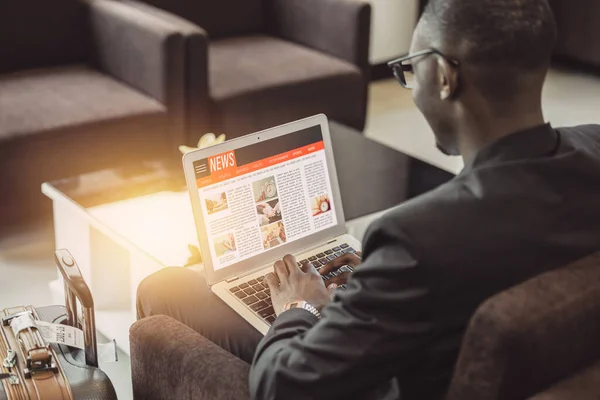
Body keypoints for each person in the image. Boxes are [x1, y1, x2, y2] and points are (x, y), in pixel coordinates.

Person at [136, 0, 600, 398]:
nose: (411, 84)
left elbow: (281, 386)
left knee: (164, 287)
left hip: (394, 381)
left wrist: (301, 308)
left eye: (410, 67)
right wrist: (371, 288)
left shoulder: (420, 239)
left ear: (442, 76)